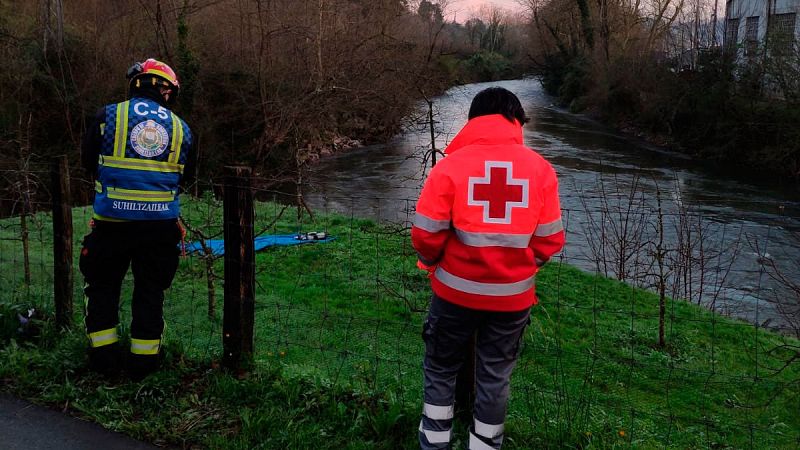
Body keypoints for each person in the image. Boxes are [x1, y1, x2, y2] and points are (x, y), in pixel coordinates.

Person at [411, 87, 565, 449]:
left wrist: (434, 263)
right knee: (495, 375)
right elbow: (550, 241)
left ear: (473, 121)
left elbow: (425, 234)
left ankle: (433, 444)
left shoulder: (450, 167)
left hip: (453, 293)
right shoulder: (541, 170)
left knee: (441, 367)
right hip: (512, 299)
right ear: (515, 121)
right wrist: (521, 270)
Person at [80, 58, 194, 379]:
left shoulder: (106, 116)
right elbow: (183, 177)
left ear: (137, 83)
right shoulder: (182, 130)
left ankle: (104, 365)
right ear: (167, 92)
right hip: (159, 231)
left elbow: (89, 161)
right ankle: (143, 368)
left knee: (102, 289)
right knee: (149, 293)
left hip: (110, 226)